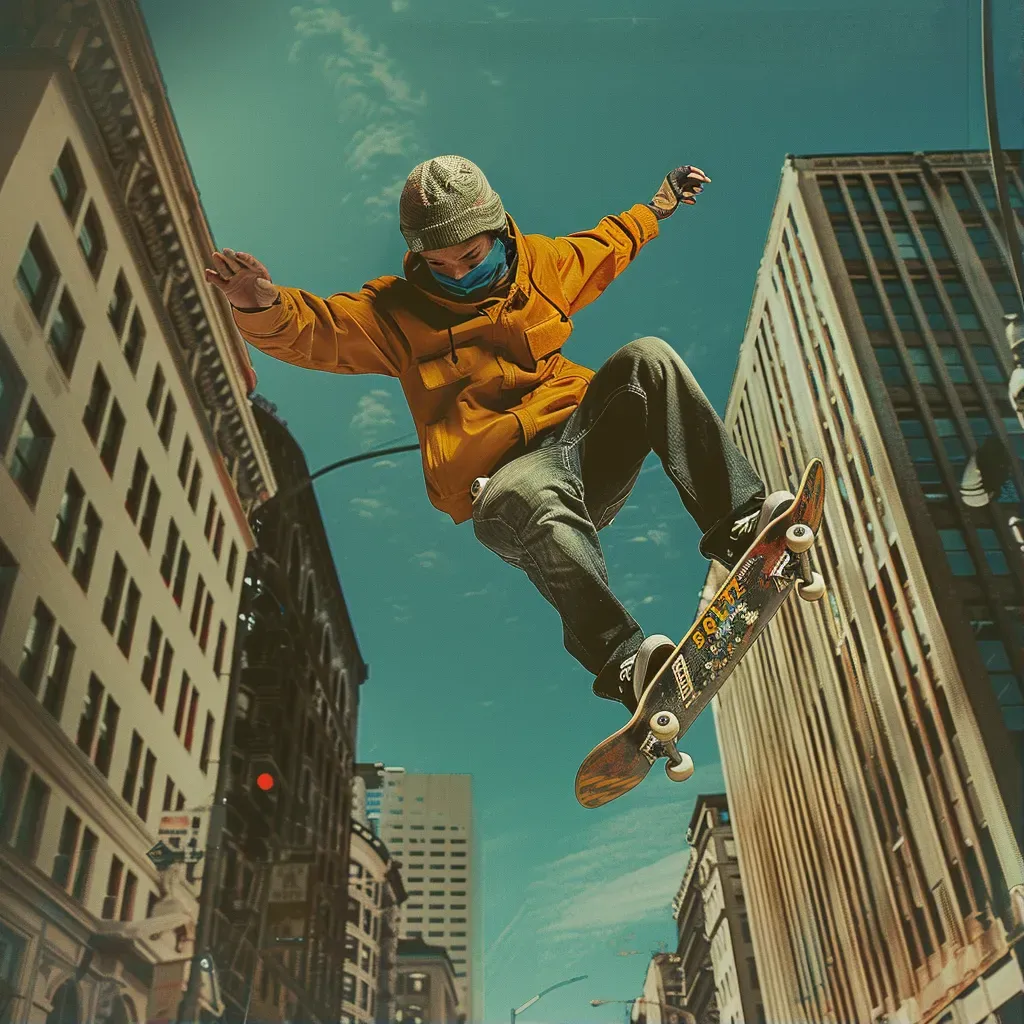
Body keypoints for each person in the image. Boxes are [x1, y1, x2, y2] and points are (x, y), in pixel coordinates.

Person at [205, 156, 793, 713]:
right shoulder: (395, 311)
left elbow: (608, 244)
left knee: (649, 360)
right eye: (440, 264)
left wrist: (658, 208)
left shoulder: (543, 265)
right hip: (504, 489)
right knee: (535, 491)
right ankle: (622, 659)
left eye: (470, 256)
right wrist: (261, 305)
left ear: (497, 232)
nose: (458, 275)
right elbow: (321, 330)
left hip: (583, 450)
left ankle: (739, 523)